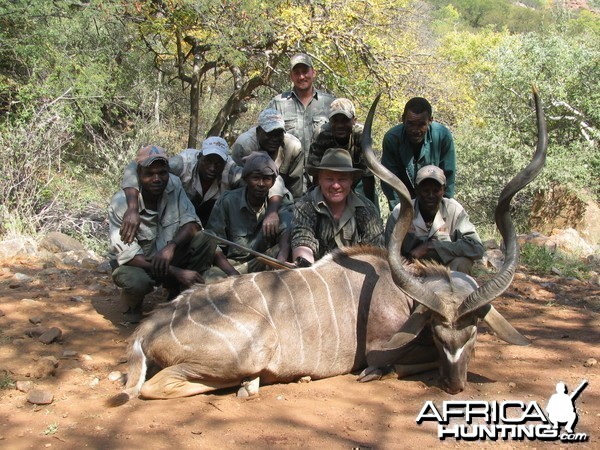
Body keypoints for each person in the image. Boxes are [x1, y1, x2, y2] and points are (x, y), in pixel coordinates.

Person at [108, 145, 217, 323]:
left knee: (206, 238)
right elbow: (128, 256)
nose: (157, 179)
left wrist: (171, 247)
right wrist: (177, 271)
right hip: (141, 263)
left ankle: (179, 295)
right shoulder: (121, 204)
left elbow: (192, 222)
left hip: (167, 255)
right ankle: (132, 303)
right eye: (149, 174)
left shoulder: (173, 183)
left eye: (162, 172)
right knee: (136, 281)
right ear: (138, 175)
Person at [119, 137, 242, 243]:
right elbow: (135, 167)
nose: (212, 168)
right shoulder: (182, 163)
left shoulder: (232, 170)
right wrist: (132, 208)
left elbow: (252, 180)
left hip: (210, 216)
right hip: (181, 212)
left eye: (218, 163)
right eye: (208, 161)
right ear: (199, 156)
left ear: (225, 163)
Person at [204, 152, 294, 277]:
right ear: (246, 179)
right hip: (235, 265)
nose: (261, 184)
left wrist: (281, 260)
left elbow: (287, 232)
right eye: (256, 178)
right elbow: (214, 245)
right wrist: (233, 274)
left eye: (267, 179)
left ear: (273, 182)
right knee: (208, 280)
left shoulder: (281, 203)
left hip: (266, 261)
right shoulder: (227, 201)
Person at [292, 148, 384, 266]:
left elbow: (376, 252)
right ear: (319, 179)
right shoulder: (305, 206)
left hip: (355, 276)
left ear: (351, 180)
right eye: (329, 179)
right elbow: (302, 242)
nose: (336, 185)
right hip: (316, 274)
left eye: (342, 179)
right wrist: (304, 265)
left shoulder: (367, 209)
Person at [385, 165, 483, 275]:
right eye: (426, 190)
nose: (431, 195)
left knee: (462, 263)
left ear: (444, 190)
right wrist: (407, 267)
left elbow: (476, 247)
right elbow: (390, 253)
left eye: (436, 190)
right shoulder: (400, 213)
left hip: (445, 273)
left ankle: (456, 292)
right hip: (410, 272)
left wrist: (432, 246)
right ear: (416, 190)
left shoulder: (455, 211)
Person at [381, 97, 456, 209]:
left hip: (433, 198)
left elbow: (448, 179)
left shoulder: (443, 136)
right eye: (410, 124)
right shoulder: (392, 139)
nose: (415, 130)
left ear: (430, 120)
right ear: (403, 119)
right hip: (405, 199)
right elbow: (390, 181)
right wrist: (400, 213)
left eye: (421, 124)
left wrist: (443, 211)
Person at [308, 98, 377, 206]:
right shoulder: (321, 134)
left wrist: (369, 205)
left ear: (354, 120)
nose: (340, 125)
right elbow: (316, 174)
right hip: (329, 181)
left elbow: (367, 175)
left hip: (356, 181)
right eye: (335, 120)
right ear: (330, 121)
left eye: (345, 120)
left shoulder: (361, 135)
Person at [268, 52, 335, 160]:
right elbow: (265, 139)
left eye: (305, 71)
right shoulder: (277, 104)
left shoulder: (330, 103)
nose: (301, 77)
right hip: (288, 173)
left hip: (321, 172)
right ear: (291, 76)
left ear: (313, 73)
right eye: (297, 73)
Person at [231, 108, 304, 199]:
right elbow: (236, 181)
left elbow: (295, 187)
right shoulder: (244, 145)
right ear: (258, 131)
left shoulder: (293, 147)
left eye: (278, 134)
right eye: (269, 134)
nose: (274, 139)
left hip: (282, 198)